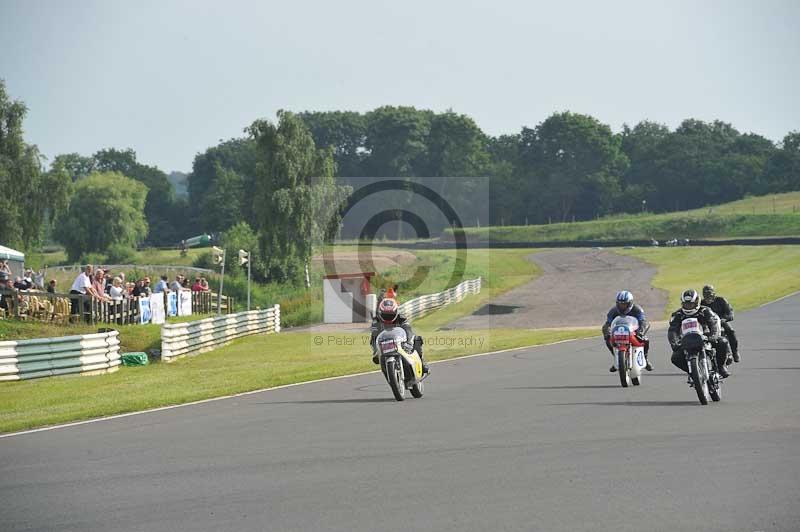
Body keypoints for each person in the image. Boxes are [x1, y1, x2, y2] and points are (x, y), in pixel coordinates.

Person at [668, 289, 731, 379]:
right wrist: (675, 343)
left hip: (706, 337)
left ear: (697, 302)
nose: (688, 306)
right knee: (675, 358)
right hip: (687, 340)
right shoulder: (677, 315)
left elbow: (714, 324)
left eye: (691, 304)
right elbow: (672, 331)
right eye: (686, 304)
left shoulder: (706, 311)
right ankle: (692, 372)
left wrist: (713, 336)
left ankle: (721, 367)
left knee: (723, 342)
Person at [370, 295, 429, 375]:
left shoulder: (401, 318)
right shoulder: (376, 322)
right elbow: (374, 337)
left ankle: (421, 362)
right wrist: (376, 351)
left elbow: (408, 330)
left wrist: (409, 342)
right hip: (386, 345)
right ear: (380, 313)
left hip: (401, 342)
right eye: (385, 314)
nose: (388, 317)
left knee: (417, 339)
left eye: (391, 314)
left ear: (396, 312)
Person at [602, 290, 652, 372]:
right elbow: (607, 324)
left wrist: (641, 332)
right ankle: (616, 360)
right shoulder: (613, 311)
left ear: (630, 303)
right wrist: (607, 332)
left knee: (646, 340)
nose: (622, 306)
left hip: (634, 332)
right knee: (608, 340)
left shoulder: (637, 309)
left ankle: (645, 359)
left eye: (624, 304)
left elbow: (643, 322)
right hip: (618, 332)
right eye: (620, 304)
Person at [702, 285, 740, 363]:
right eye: (706, 295)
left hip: (721, 322)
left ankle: (734, 352)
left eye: (709, 294)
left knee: (731, 331)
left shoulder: (721, 300)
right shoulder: (701, 304)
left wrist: (725, 319)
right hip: (707, 324)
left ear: (713, 294)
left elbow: (730, 312)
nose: (708, 297)